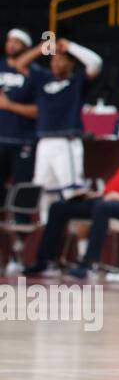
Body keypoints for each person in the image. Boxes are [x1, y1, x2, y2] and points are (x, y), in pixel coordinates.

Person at [24, 128, 119, 279]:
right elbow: (113, 189)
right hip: (105, 201)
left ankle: (89, 264)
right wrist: (93, 195)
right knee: (59, 207)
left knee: (102, 208)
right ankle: (44, 261)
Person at [11, 38, 101, 220]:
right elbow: (20, 64)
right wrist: (41, 48)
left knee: (73, 193)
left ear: (70, 63)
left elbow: (96, 63)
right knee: (44, 192)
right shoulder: (44, 78)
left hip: (66, 142)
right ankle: (47, 233)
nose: (55, 63)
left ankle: (81, 244)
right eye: (53, 59)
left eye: (60, 59)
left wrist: (71, 47)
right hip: (44, 143)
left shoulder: (77, 81)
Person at [0, 29, 37, 235]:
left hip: (23, 141)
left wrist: (9, 105)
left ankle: (22, 247)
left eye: (17, 42)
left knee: (23, 196)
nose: (11, 45)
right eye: (9, 41)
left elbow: (40, 111)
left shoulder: (33, 73)